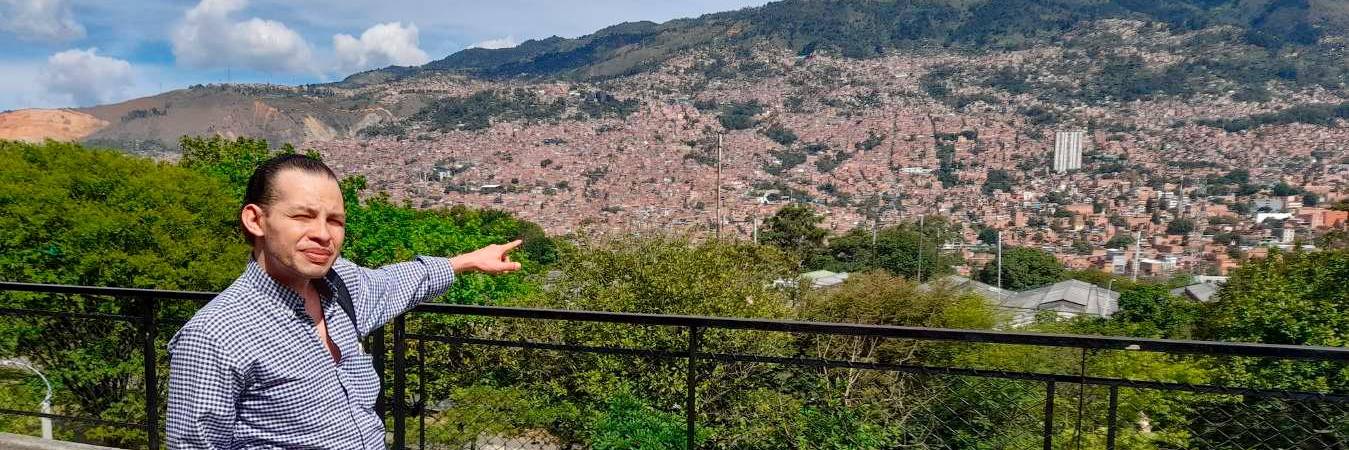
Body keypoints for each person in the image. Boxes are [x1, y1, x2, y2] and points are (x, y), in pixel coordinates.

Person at [166, 154, 521, 449]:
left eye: (334, 221)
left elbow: (396, 281)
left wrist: (466, 261)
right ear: (256, 220)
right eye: (302, 216)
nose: (323, 234)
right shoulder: (214, 336)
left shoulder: (341, 287)